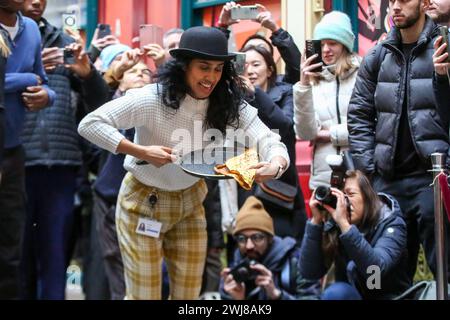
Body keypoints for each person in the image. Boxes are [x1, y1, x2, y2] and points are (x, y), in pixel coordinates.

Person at [78, 26, 290, 300]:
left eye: (217, 68)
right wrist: (140, 151)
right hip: (141, 202)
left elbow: (269, 139)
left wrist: (275, 164)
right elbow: (90, 124)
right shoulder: (151, 98)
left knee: (188, 297)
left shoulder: (228, 105)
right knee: (144, 296)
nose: (211, 76)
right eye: (204, 67)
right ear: (184, 66)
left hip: (190, 203)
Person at [348, 0, 450, 282]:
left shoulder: (442, 47)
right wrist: (370, 172)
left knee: (445, 268)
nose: (395, 6)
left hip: (433, 178)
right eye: (391, 0)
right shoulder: (378, 55)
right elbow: (358, 115)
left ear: (424, 3)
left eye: (404, 0)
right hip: (389, 180)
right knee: (388, 275)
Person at [19, 0, 110, 300]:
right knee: (15, 258)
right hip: (13, 163)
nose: (35, 2)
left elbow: (98, 104)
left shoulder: (65, 43)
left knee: (55, 257)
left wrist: (87, 73)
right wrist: (27, 69)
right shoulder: (8, 41)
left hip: (61, 164)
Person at [0, 0, 55, 299]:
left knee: (11, 245)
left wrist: (46, 95)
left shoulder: (30, 28)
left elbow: (45, 83)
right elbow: (30, 76)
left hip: (12, 149)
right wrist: (26, 79)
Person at [299, 170, 410, 300]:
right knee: (336, 293)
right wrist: (316, 222)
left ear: (368, 197)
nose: (344, 202)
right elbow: (309, 273)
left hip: (388, 296)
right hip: (352, 294)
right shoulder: (335, 224)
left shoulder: (391, 223)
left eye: (350, 194)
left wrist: (345, 225)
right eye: (340, 196)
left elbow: (375, 271)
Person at [238, 44, 306, 242]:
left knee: (282, 247)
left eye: (256, 64)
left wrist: (256, 94)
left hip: (281, 186)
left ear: (269, 70)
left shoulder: (286, 92)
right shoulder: (237, 100)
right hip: (248, 185)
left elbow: (284, 125)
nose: (249, 70)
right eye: (245, 65)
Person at [293, 11, 360, 190]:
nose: (325, 50)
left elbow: (369, 127)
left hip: (359, 176)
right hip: (324, 180)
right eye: (321, 44)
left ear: (345, 45)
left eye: (332, 43)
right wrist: (303, 85)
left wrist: (329, 134)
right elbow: (306, 133)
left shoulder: (363, 76)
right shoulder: (313, 82)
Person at [220, 196, 314, 300]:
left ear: (270, 239)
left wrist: (277, 295)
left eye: (257, 238)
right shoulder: (235, 269)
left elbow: (312, 297)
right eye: (242, 239)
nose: (249, 246)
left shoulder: (295, 262)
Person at [217, 1, 301, 84]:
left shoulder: (284, 89)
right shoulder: (231, 90)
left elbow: (297, 68)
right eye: (246, 63)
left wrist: (275, 28)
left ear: (270, 68)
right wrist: (223, 26)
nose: (250, 71)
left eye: (256, 64)